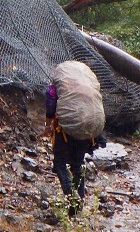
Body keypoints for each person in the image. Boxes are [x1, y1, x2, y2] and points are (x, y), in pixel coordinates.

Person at [44, 62, 105, 216]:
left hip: (65, 130)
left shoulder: (58, 87)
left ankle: (72, 198)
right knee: (77, 165)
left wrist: (47, 127)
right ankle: (80, 200)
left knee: (60, 164)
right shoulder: (89, 85)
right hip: (88, 128)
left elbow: (51, 106)